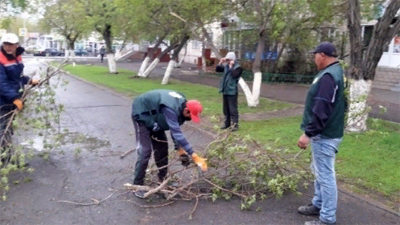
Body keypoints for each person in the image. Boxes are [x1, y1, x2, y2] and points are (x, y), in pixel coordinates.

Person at [297, 42, 346, 225]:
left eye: (315, 55)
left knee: (325, 176)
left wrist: (308, 134)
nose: (314, 58)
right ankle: (317, 204)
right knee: (319, 172)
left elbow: (321, 109)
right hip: (328, 132)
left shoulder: (328, 76)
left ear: (322, 55)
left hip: (324, 134)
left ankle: (326, 218)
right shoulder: (337, 71)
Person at [131, 89, 207, 198]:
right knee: (145, 151)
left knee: (162, 149)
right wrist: (194, 156)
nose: (191, 118)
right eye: (191, 115)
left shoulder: (181, 109)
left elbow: (174, 129)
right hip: (142, 113)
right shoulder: (171, 109)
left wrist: (180, 150)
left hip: (156, 117)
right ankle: (137, 185)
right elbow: (177, 133)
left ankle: (162, 178)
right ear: (186, 110)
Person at [0, 33, 39, 166]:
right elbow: (2, 83)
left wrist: (29, 81)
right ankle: (4, 162)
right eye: (6, 44)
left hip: (11, 101)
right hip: (3, 101)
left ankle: (6, 158)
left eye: (11, 44)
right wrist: (14, 98)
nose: (8, 47)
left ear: (17, 45)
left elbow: (17, 78)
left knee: (8, 130)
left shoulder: (17, 57)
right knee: (2, 131)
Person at [216, 52, 243, 131]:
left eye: (229, 60)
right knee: (226, 109)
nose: (228, 61)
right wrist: (221, 62)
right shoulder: (226, 67)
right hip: (225, 90)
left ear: (233, 60)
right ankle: (227, 124)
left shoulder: (238, 68)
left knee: (233, 109)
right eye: (227, 60)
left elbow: (234, 75)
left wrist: (231, 66)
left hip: (232, 91)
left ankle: (235, 125)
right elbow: (217, 69)